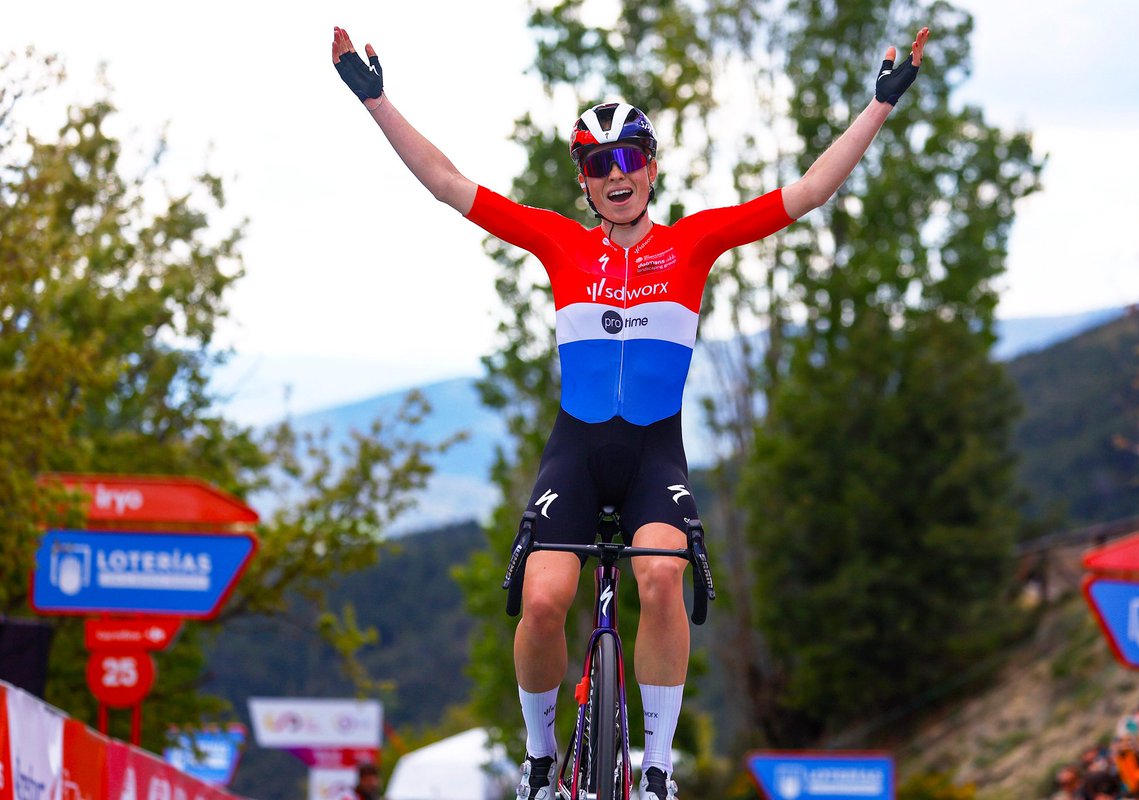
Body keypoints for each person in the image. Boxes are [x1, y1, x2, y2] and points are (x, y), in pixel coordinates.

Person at [331, 22, 929, 800]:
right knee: (543, 602)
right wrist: (375, 98)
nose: (616, 173)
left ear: (651, 169)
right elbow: (449, 184)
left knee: (658, 579)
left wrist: (878, 106)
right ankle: (543, 760)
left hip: (653, 454)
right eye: (597, 163)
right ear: (583, 181)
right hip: (575, 452)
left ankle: (656, 768)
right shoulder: (559, 245)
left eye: (629, 159)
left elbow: (810, 192)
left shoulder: (692, 244)